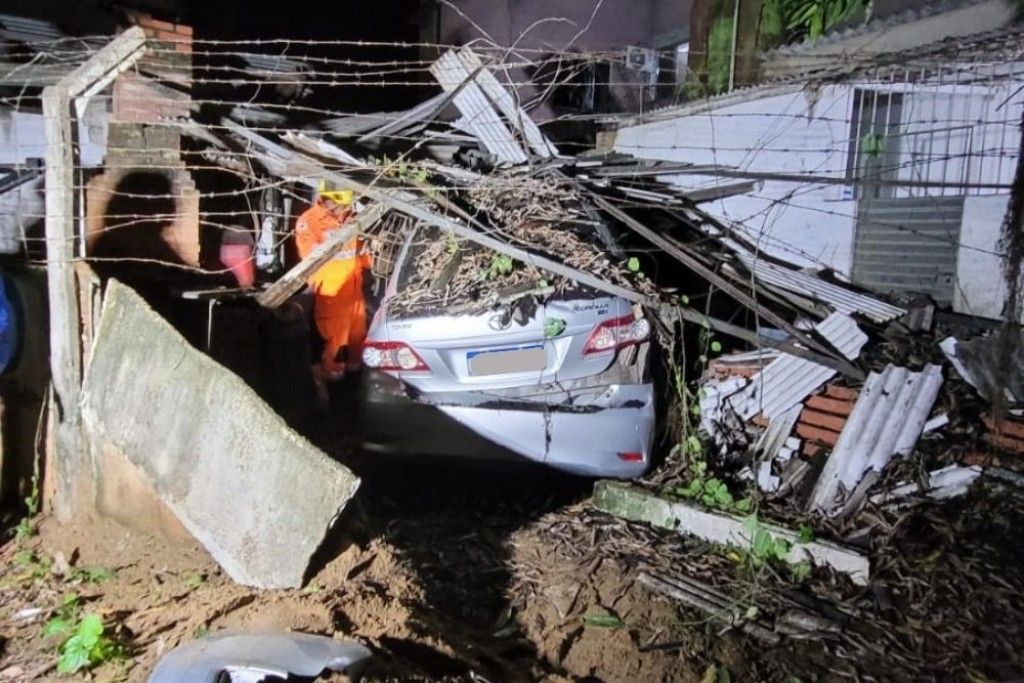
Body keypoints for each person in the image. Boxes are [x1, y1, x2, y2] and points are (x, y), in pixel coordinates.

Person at [294, 182, 372, 380]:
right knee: (335, 348)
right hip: (332, 297)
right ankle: (332, 389)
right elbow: (310, 256)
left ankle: (354, 385)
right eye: (343, 205)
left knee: (357, 345)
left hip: (354, 296)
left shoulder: (350, 220)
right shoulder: (310, 222)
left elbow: (362, 257)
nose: (347, 209)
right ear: (330, 200)